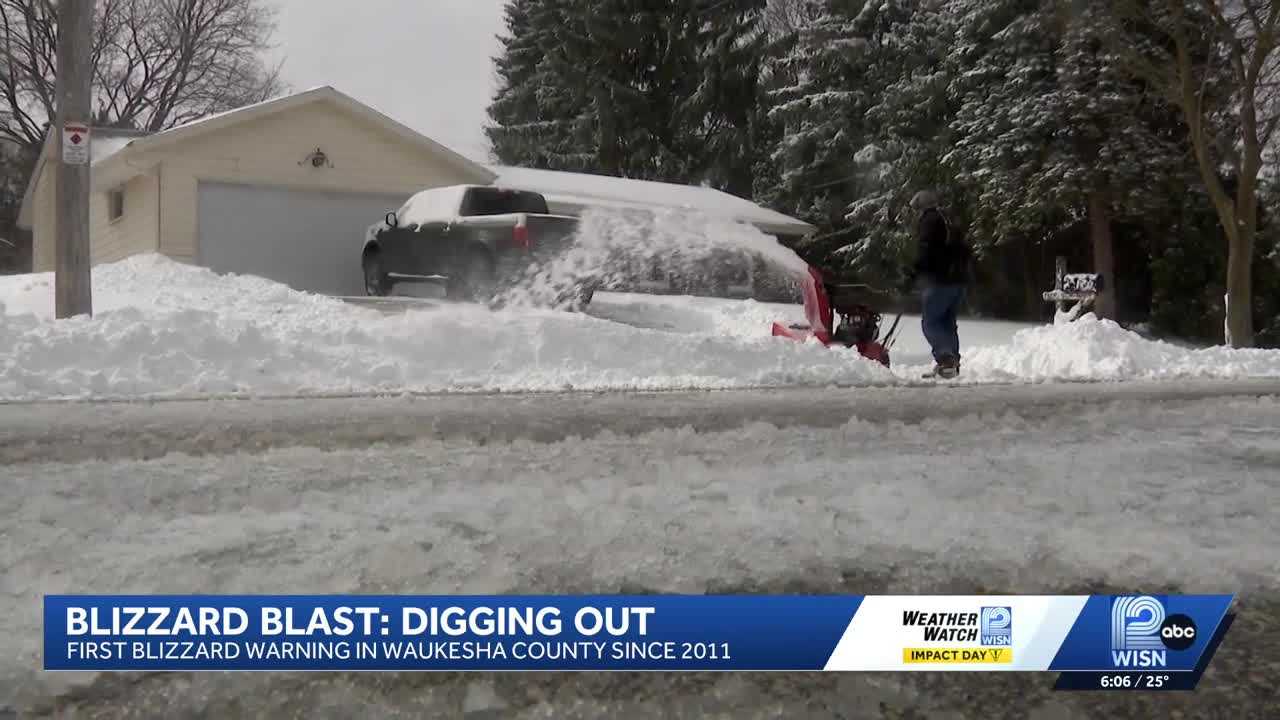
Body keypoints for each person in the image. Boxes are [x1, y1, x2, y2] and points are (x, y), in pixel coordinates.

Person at [901, 190, 970, 379]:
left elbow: (927, 251)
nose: (915, 213)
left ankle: (946, 359)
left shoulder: (930, 221)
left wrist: (913, 273)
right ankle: (951, 365)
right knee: (947, 323)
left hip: (939, 281)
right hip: (958, 282)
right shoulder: (947, 220)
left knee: (930, 323)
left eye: (916, 209)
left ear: (921, 207)